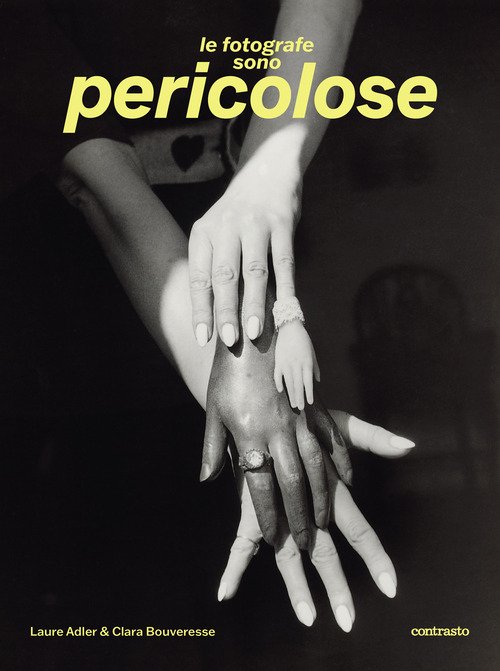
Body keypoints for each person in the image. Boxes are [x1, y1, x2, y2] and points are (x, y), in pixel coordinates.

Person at [1, 0, 415, 629]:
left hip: (240, 230)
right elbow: (96, 185)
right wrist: (246, 385)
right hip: (76, 278)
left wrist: (270, 169)